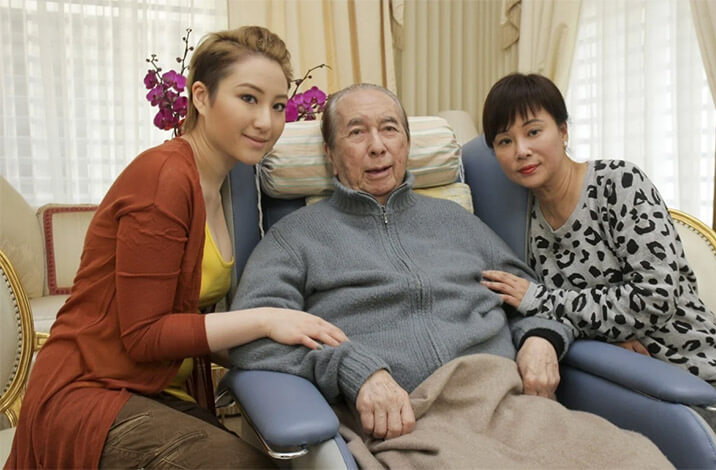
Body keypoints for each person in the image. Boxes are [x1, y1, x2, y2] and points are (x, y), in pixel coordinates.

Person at [229, 83, 673, 468]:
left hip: (511, 406)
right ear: (330, 154)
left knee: (640, 459)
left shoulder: (457, 221)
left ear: (406, 142)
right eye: (357, 132)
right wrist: (354, 369)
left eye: (389, 129)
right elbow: (251, 337)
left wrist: (542, 337)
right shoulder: (296, 238)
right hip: (408, 421)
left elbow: (531, 296)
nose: (378, 146)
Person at [5, 26, 347, 470]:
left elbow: (190, 322)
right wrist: (267, 319)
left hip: (150, 387)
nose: (267, 121)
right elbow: (145, 336)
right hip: (89, 391)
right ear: (201, 98)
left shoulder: (229, 185)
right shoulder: (164, 179)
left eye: (278, 105)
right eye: (248, 98)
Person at [479, 73, 716, 469]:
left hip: (705, 379)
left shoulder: (619, 183)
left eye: (533, 131)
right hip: (619, 382)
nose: (521, 151)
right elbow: (545, 316)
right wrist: (607, 336)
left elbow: (654, 298)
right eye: (504, 141)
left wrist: (541, 298)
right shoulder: (522, 221)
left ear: (563, 131)